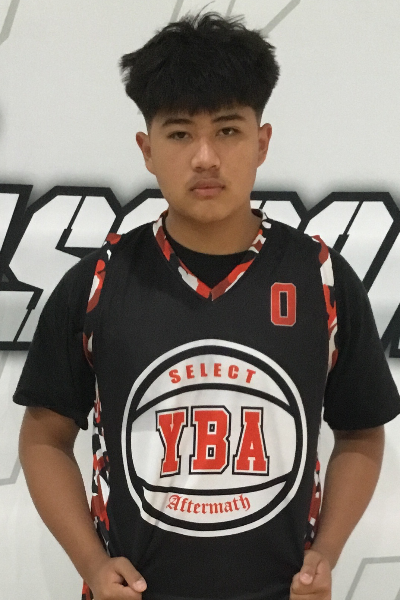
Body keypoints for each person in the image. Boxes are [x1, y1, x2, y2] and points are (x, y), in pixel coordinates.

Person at [14, 11, 400, 600]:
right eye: (179, 134)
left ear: (261, 142)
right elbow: (43, 439)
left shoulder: (320, 277)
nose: (204, 158)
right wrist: (91, 562)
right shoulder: (97, 282)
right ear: (147, 149)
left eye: (227, 131)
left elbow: (361, 432)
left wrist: (326, 552)